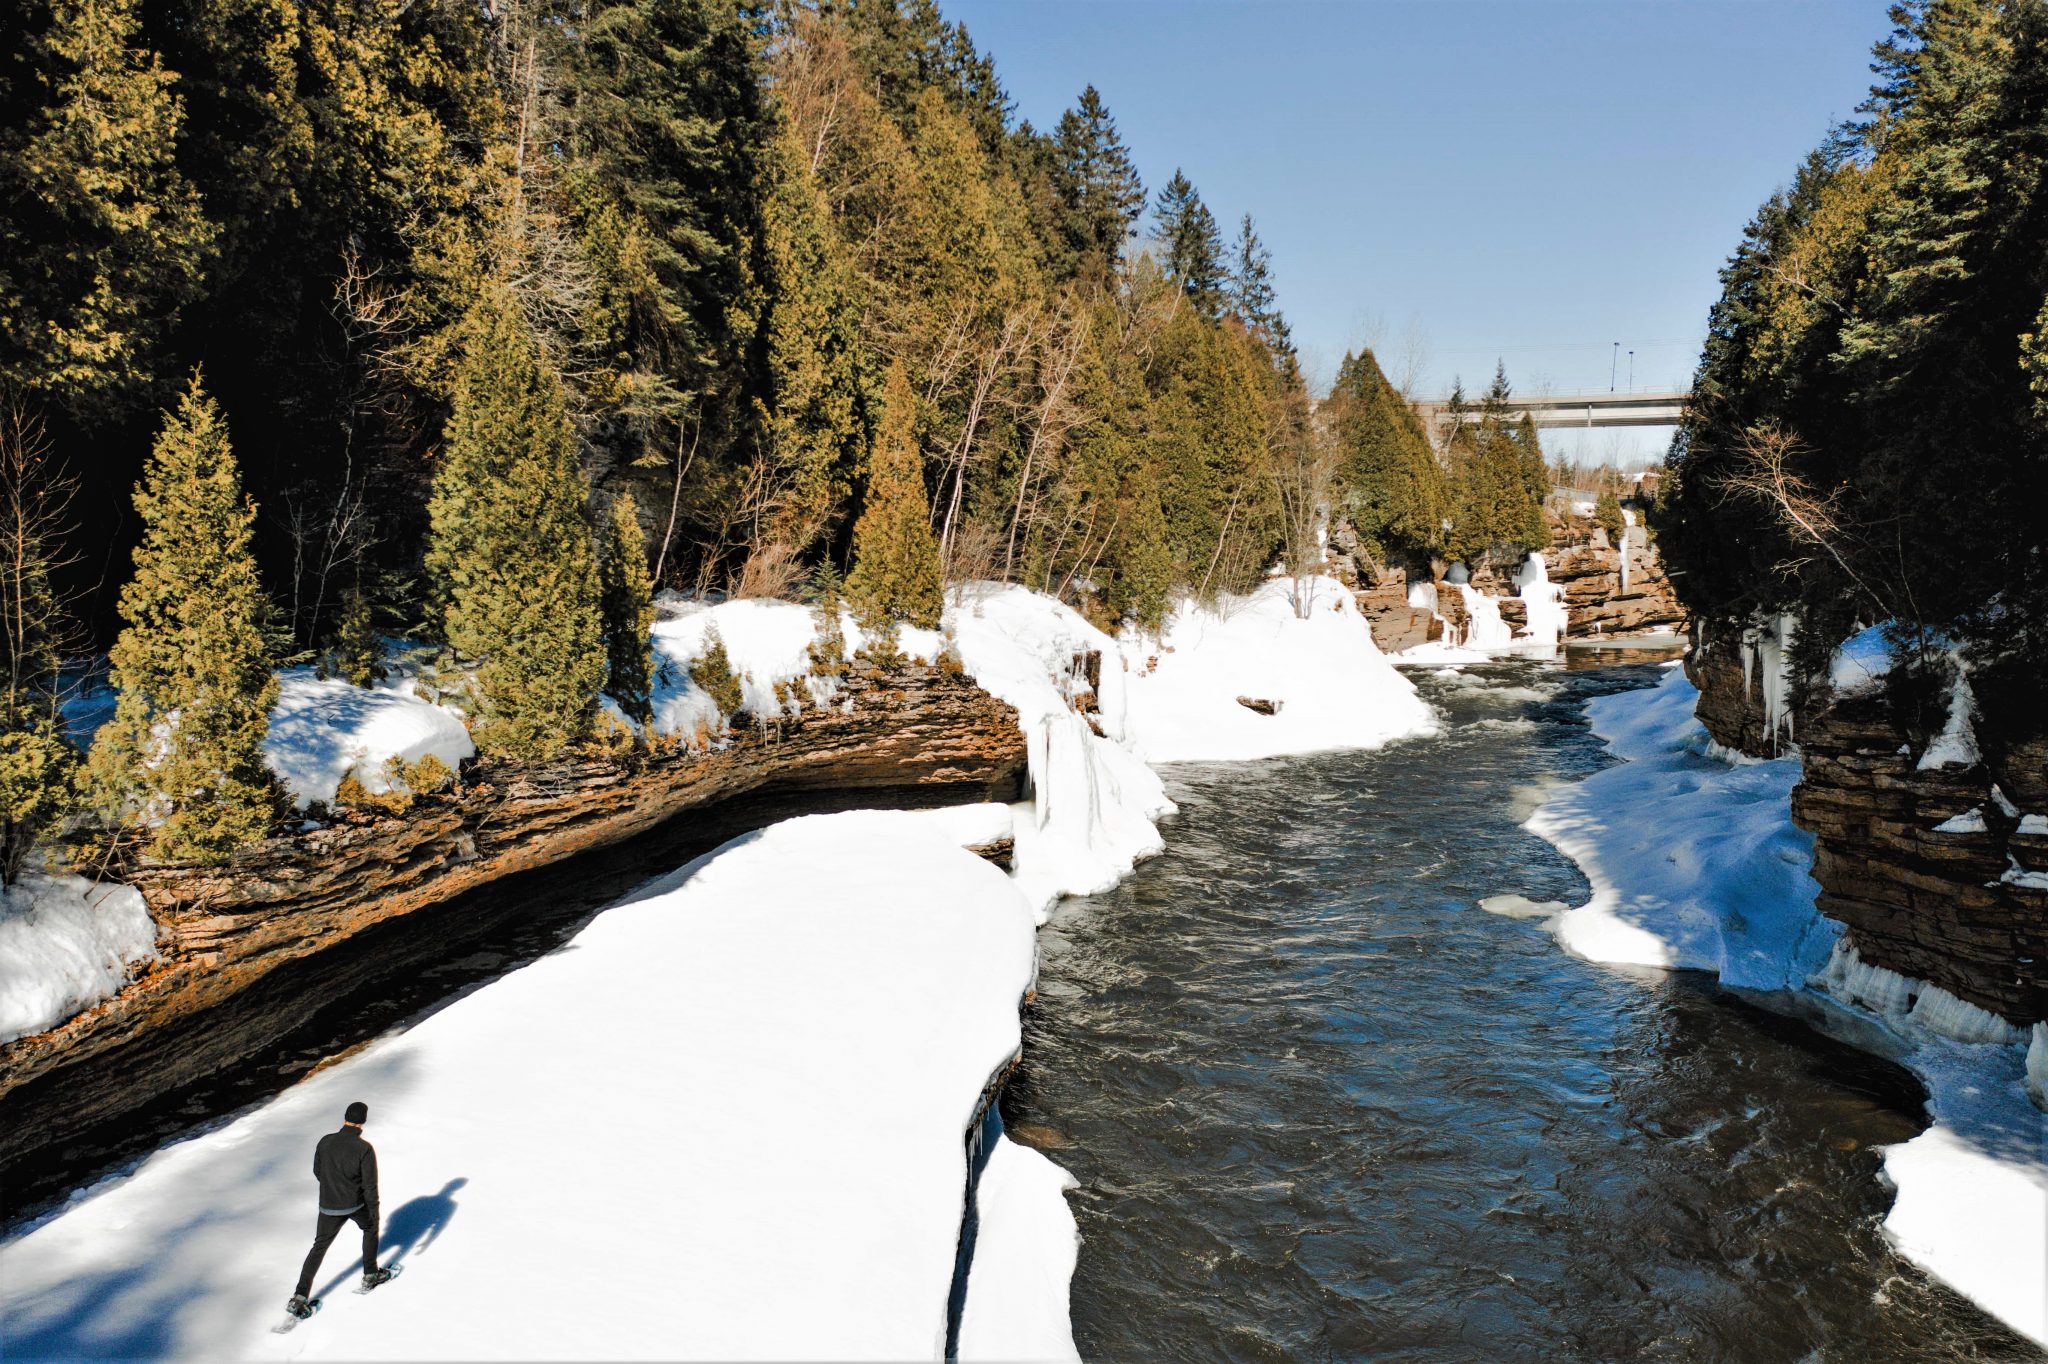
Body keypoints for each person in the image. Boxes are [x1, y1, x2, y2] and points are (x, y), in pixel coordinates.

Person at [286, 1100, 394, 1318]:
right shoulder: (364, 1148)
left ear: (345, 1118)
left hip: (328, 1206)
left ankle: (299, 1297)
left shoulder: (325, 1141)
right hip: (355, 1204)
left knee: (319, 1247)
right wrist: (374, 1211)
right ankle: (371, 1274)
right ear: (363, 1121)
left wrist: (333, 1188)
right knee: (370, 1228)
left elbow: (318, 1171)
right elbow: (370, 1186)